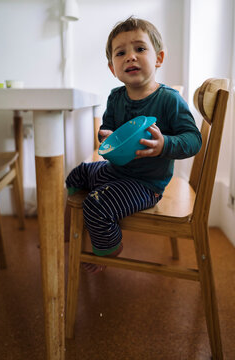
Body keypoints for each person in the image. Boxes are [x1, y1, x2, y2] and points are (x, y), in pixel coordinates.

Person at [65, 16, 202, 273]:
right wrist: (104, 136)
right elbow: (107, 131)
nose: (130, 56)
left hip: (146, 185)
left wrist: (165, 144)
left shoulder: (169, 100)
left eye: (140, 49)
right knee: (76, 174)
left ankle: (108, 247)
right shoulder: (116, 98)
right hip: (115, 172)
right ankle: (73, 229)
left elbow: (194, 140)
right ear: (112, 67)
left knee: (95, 204)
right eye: (121, 52)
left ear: (158, 58)